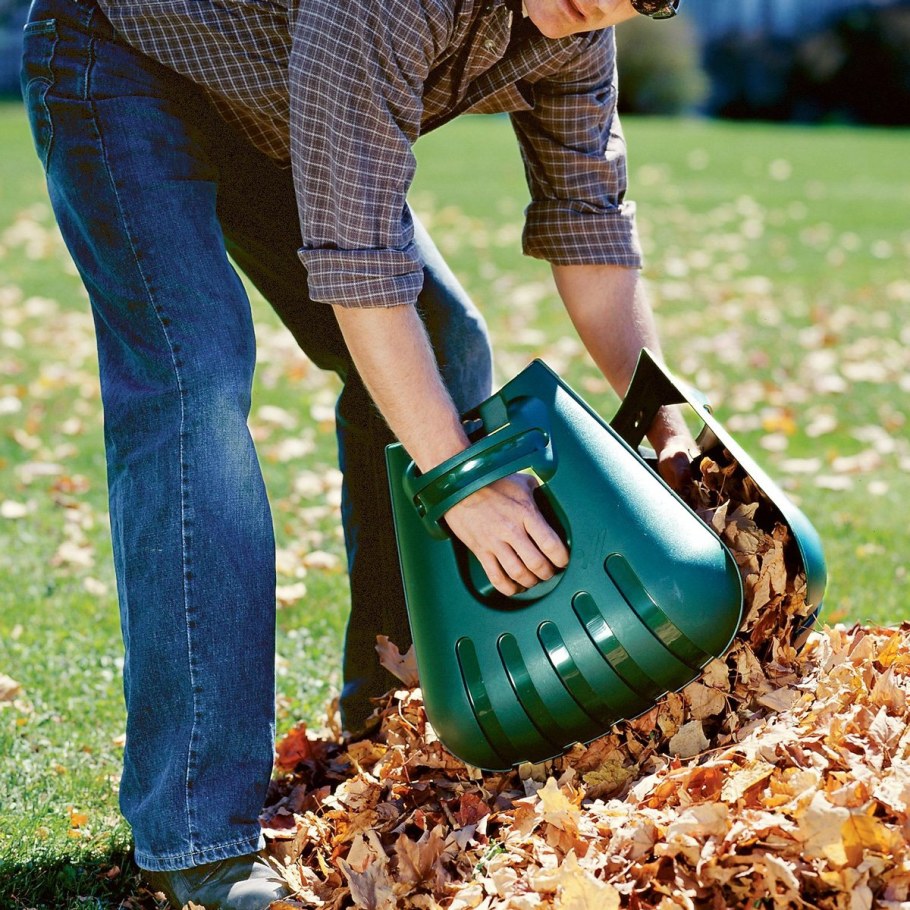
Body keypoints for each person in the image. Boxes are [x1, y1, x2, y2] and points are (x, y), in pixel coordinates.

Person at [20, 0, 691, 905]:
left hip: (278, 111)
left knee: (447, 349)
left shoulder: (575, 31)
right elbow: (363, 273)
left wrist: (668, 421)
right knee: (195, 380)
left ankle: (393, 720)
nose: (598, 4)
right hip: (126, 60)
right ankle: (197, 838)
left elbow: (593, 233)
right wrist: (462, 482)